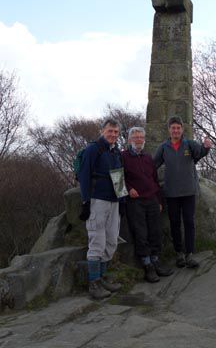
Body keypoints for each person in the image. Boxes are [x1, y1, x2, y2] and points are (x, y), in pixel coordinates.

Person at [154, 116, 212, 269]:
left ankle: (190, 254)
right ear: (169, 130)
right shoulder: (163, 147)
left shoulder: (189, 144)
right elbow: (153, 165)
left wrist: (206, 147)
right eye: (173, 128)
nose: (175, 130)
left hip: (188, 191)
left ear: (182, 129)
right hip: (171, 192)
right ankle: (179, 253)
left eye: (178, 128)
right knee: (174, 223)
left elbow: (200, 153)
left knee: (189, 222)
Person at [122, 127, 173, 283]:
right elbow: (119, 177)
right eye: (135, 137)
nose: (138, 140)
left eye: (141, 137)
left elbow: (154, 180)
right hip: (135, 201)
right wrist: (129, 189)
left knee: (155, 232)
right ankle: (147, 266)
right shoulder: (123, 156)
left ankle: (156, 261)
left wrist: (158, 200)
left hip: (151, 199)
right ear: (130, 140)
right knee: (141, 233)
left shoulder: (148, 157)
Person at [79, 118, 123, 299]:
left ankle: (102, 278)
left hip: (114, 201)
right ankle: (94, 283)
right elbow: (84, 175)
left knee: (111, 240)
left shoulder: (116, 152)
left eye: (116, 132)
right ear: (102, 131)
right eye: (110, 131)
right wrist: (85, 201)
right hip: (98, 200)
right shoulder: (93, 149)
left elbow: (119, 177)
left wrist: (123, 201)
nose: (113, 134)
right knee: (97, 240)